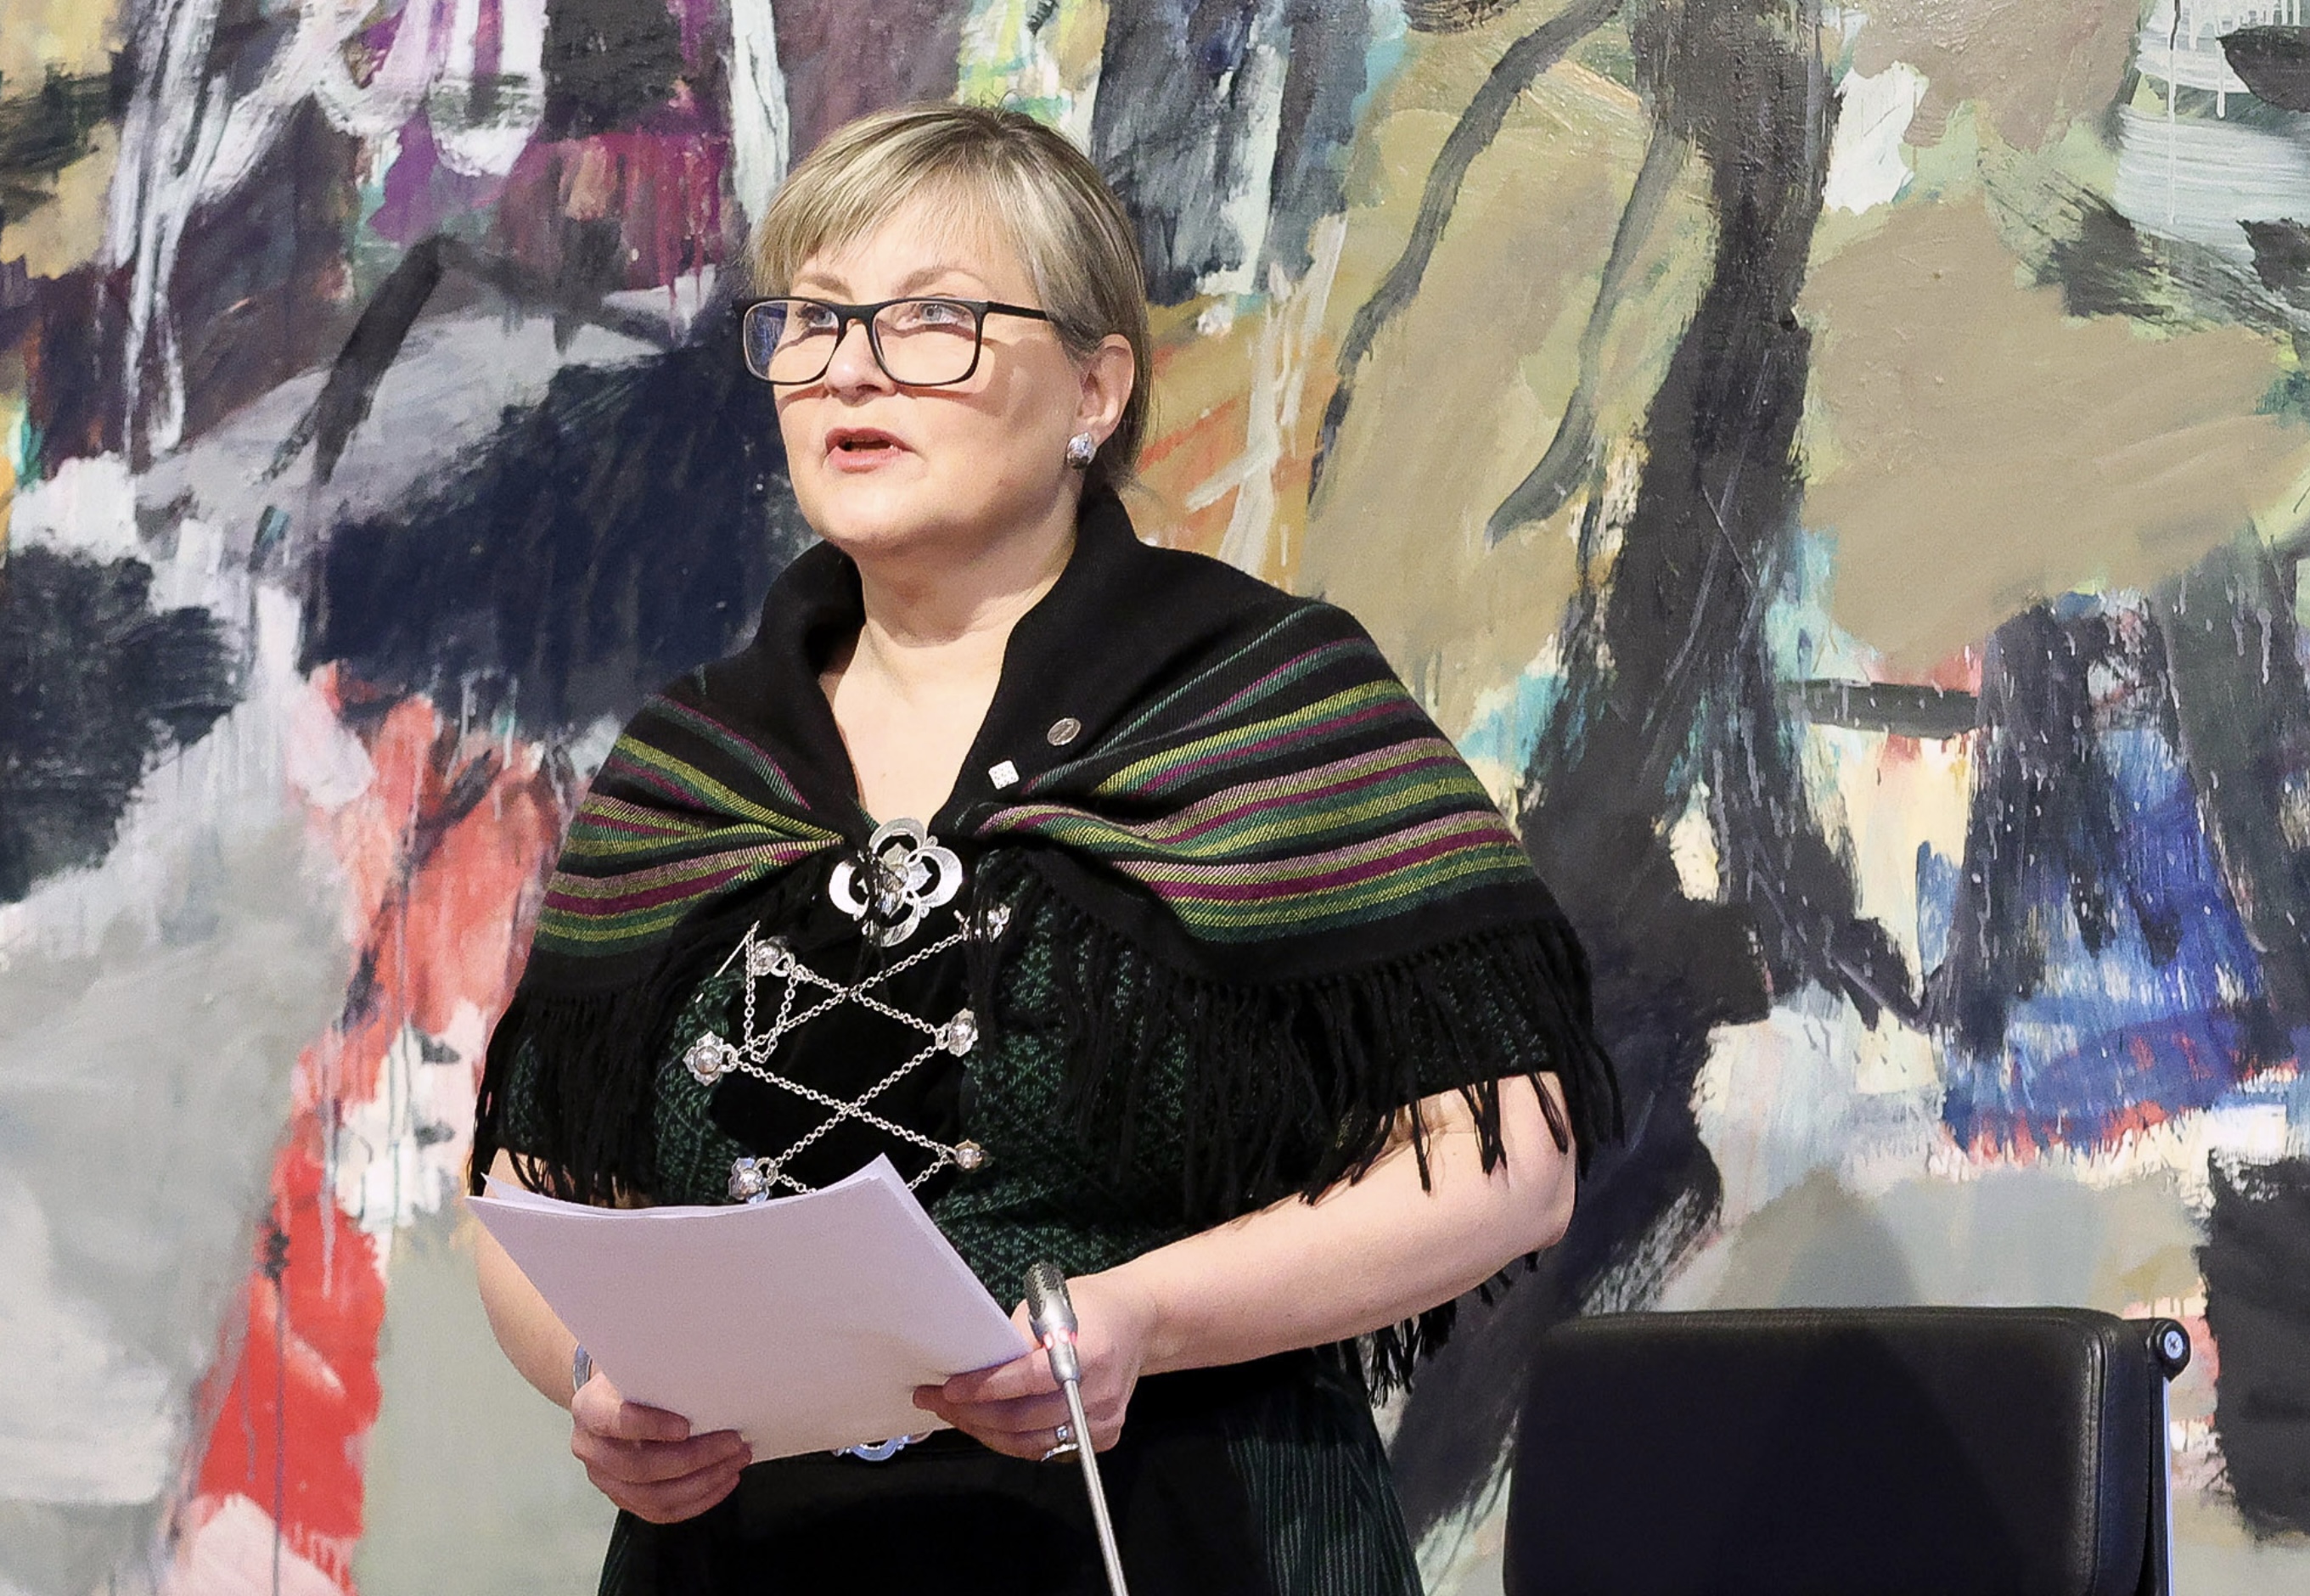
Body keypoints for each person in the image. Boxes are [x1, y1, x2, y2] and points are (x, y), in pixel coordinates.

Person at [468, 102, 1621, 1596]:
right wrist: (595, 1379)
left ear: (1094, 386)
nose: (851, 369)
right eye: (813, 321)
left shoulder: (1261, 701)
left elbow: (1505, 1156)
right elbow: (539, 1186)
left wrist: (1141, 1317)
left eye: (931, 319)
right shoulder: (695, 762)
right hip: (747, 1561)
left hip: (1185, 1540)